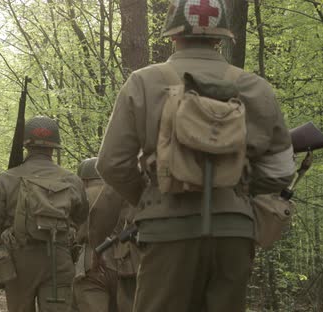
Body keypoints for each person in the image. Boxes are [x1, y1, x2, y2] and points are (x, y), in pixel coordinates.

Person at [96, 1, 295, 311]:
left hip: (165, 228)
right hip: (234, 230)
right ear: (221, 38)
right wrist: (239, 191)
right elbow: (281, 170)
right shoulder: (256, 87)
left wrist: (152, 196)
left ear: (173, 35)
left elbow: (111, 163)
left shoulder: (144, 82)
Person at [0, 116, 89, 312]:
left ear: (26, 145)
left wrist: (6, 238)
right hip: (59, 260)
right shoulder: (72, 180)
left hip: (18, 261)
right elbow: (81, 219)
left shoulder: (6, 179)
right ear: (55, 147)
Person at [70, 157, 139, 312]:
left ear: (84, 179)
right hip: (127, 262)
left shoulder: (79, 195)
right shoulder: (125, 190)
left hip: (91, 263)